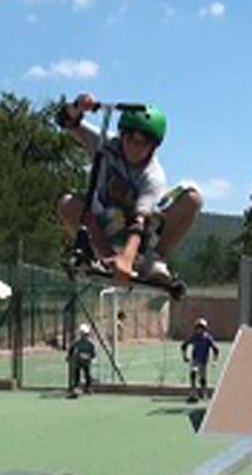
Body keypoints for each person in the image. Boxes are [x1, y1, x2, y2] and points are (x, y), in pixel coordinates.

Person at [56, 93, 202, 285]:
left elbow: (138, 222)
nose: (134, 148)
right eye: (130, 140)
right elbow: (66, 121)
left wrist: (127, 258)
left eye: (143, 143)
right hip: (103, 226)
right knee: (67, 203)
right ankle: (105, 258)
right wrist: (77, 106)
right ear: (122, 135)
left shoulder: (153, 176)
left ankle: (154, 260)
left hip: (140, 236)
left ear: (153, 147)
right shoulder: (105, 145)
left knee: (192, 198)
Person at [181, 318, 219, 403]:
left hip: (204, 361)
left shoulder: (207, 338)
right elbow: (184, 345)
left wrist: (214, 360)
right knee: (193, 374)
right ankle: (193, 393)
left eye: (201, 328)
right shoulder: (194, 337)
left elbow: (215, 349)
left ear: (205, 329)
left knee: (203, 379)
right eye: (197, 328)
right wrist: (184, 356)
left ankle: (204, 393)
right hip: (195, 360)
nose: (199, 330)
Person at [67, 323, 97, 398]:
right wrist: (70, 357)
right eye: (84, 334)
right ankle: (76, 387)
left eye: (86, 334)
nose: (85, 336)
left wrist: (87, 357)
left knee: (87, 374)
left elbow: (93, 354)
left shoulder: (90, 344)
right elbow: (71, 351)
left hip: (86, 362)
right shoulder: (76, 343)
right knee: (77, 373)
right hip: (78, 361)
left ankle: (88, 387)